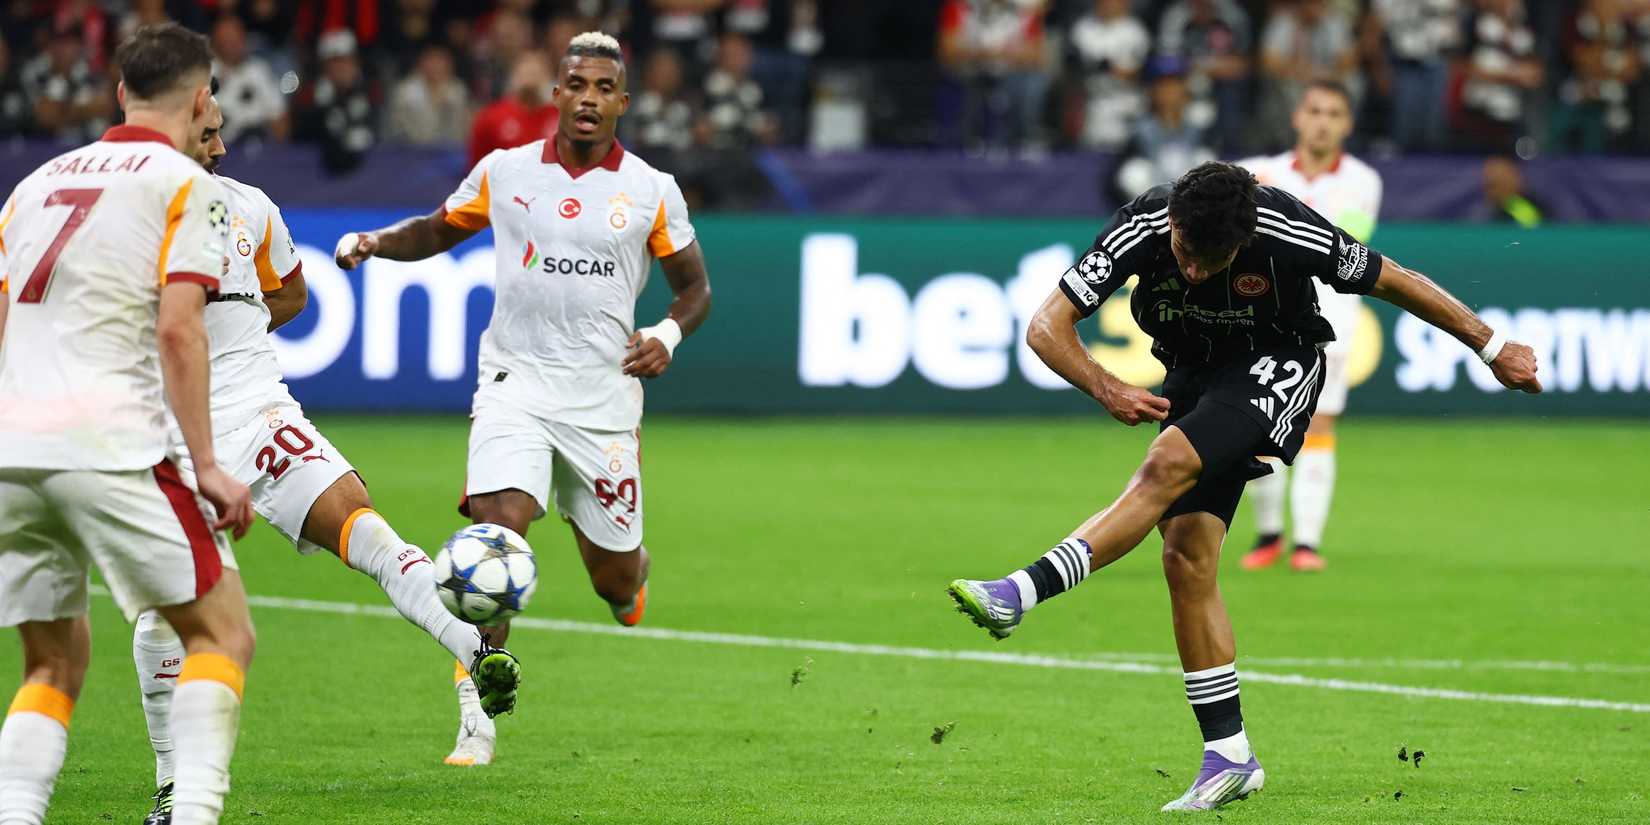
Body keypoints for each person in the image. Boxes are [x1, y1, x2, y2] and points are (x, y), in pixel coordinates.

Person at [947, 161, 1540, 812]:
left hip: (1278, 362)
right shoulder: (1144, 221)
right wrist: (1105, 384)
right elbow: (1046, 324)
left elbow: (1392, 279)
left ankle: (1021, 590)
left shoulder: (1286, 226)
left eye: (1214, 260)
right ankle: (1229, 755)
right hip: (1194, 373)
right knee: (1186, 556)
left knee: (1162, 467)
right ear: (1172, 223)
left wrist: (1491, 347)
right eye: (1185, 254)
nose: (1195, 271)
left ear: (1245, 235)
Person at [127, 97, 523, 825]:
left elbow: (293, 292)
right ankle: (171, 786)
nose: (219, 151)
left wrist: (232, 328)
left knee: (365, 525)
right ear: (172, 133)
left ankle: (474, 649)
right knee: (161, 617)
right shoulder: (131, 214)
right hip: (174, 435)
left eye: (221, 137)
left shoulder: (250, 208)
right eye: (207, 137)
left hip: (262, 412)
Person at [333, 30, 712, 768]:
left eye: (605, 88)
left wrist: (666, 330)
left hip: (603, 404)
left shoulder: (651, 188)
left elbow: (695, 287)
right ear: (557, 94)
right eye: (578, 85)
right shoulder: (506, 172)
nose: (590, 99)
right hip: (515, 385)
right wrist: (378, 241)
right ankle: (479, 711)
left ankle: (630, 576)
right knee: (494, 536)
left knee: (616, 578)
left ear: (623, 103)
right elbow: (440, 229)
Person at [0, 23, 258, 825]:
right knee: (222, 632)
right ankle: (195, 816)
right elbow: (180, 327)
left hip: (14, 449)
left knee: (52, 658)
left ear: (121, 93)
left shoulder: (33, 185)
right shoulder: (188, 184)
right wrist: (209, 464)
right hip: (111, 440)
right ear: (201, 98)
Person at [1236, 79, 1382, 572]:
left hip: (1331, 320)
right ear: (1298, 117)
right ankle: (1270, 534)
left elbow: (1338, 244)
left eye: (1334, 113)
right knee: (1254, 427)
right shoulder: (1263, 173)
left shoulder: (1363, 180)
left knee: (1318, 425)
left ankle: (1307, 544)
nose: (1322, 121)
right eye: (1315, 110)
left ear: (1347, 124)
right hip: (1263, 317)